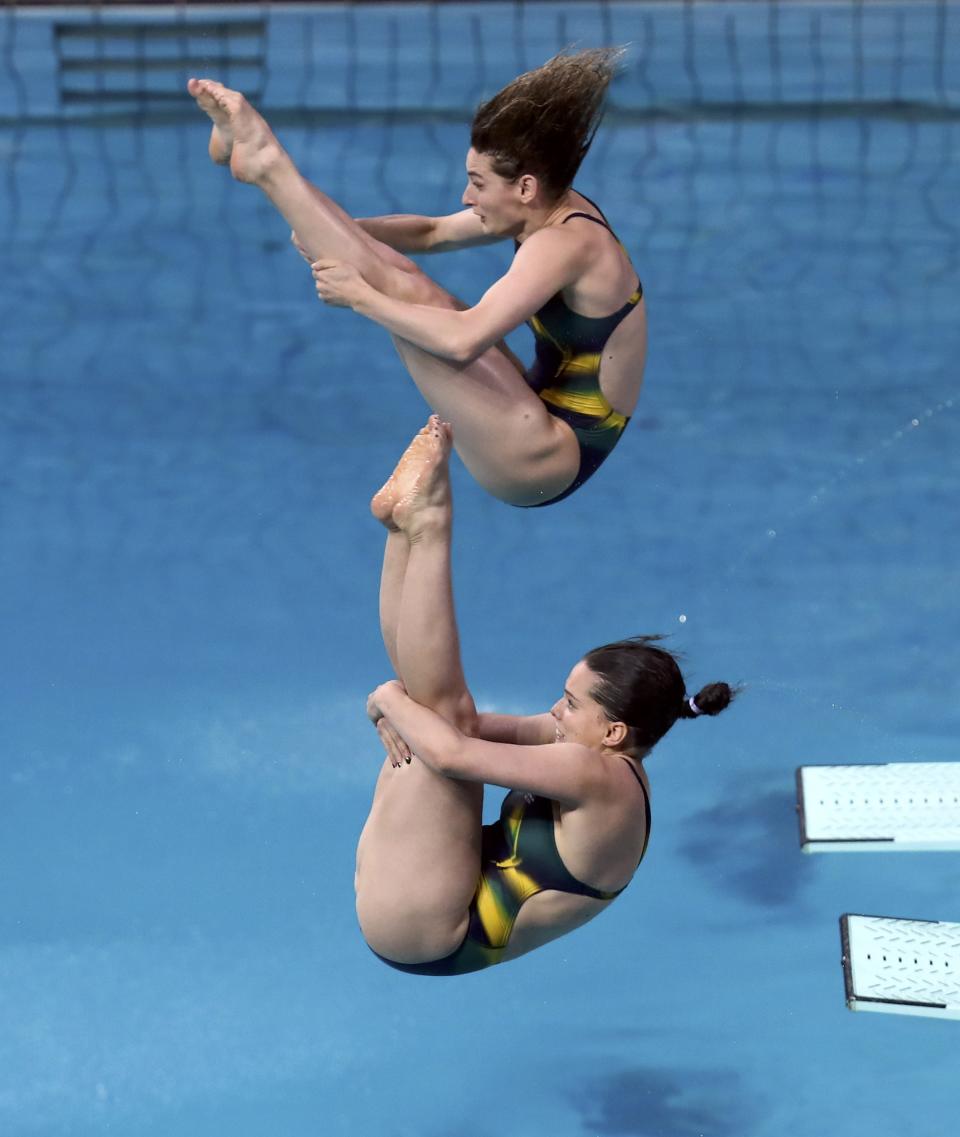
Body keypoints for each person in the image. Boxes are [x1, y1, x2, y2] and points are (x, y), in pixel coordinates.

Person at [356, 416, 734, 976]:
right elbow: (469, 728)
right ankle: (403, 530)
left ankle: (428, 524)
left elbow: (453, 752)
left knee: (436, 718)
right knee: (436, 710)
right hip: (420, 904)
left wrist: (387, 698)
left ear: (613, 733)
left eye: (573, 703)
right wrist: (397, 705)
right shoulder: (590, 750)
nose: (556, 710)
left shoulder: (596, 777)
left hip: (430, 930)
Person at [188, 49, 646, 507]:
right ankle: (260, 164)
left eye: (478, 183)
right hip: (538, 421)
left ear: (525, 187)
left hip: (543, 461)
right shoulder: (553, 207)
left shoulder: (564, 245)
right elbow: (433, 232)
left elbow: (462, 341)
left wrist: (361, 298)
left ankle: (266, 164)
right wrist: (341, 230)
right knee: (405, 278)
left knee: (404, 289)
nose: (467, 197)